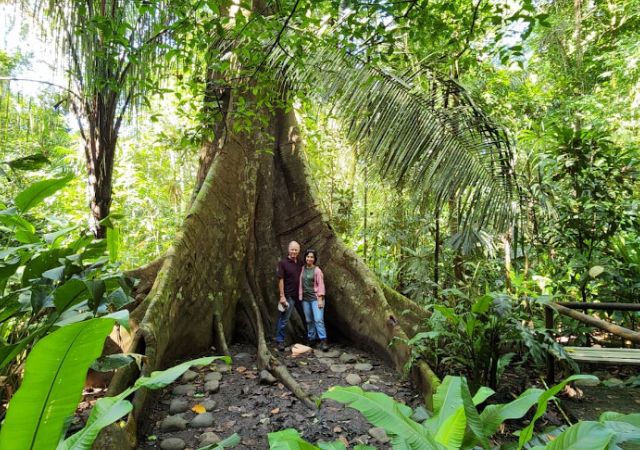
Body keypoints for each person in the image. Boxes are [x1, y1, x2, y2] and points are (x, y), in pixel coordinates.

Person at [275, 241, 304, 351]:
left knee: (306, 316)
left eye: (296, 250)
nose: (294, 252)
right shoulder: (283, 263)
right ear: (288, 249)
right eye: (292, 249)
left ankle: (310, 338)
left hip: (300, 295)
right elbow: (281, 280)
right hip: (288, 296)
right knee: (284, 319)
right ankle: (280, 341)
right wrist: (282, 296)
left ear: (299, 251)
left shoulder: (300, 263)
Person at [298, 249, 328, 351]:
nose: (309, 259)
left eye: (312, 257)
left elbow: (321, 286)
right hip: (305, 299)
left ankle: (323, 340)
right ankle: (311, 339)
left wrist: (320, 299)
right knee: (309, 320)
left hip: (316, 299)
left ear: (314, 259)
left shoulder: (317, 270)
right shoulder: (302, 269)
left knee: (318, 320)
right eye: (308, 257)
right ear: (305, 257)